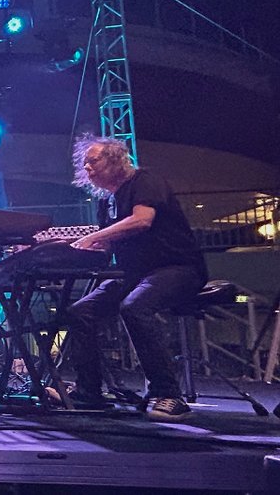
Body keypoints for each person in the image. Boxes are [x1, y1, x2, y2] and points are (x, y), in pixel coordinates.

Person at [67, 135, 206, 422]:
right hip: (135, 274)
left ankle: (168, 394)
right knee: (81, 311)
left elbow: (142, 220)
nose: (87, 169)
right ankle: (88, 393)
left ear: (115, 157)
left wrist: (92, 236)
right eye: (85, 165)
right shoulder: (108, 202)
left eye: (93, 161)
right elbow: (107, 243)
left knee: (134, 306)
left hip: (177, 268)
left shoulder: (144, 181)